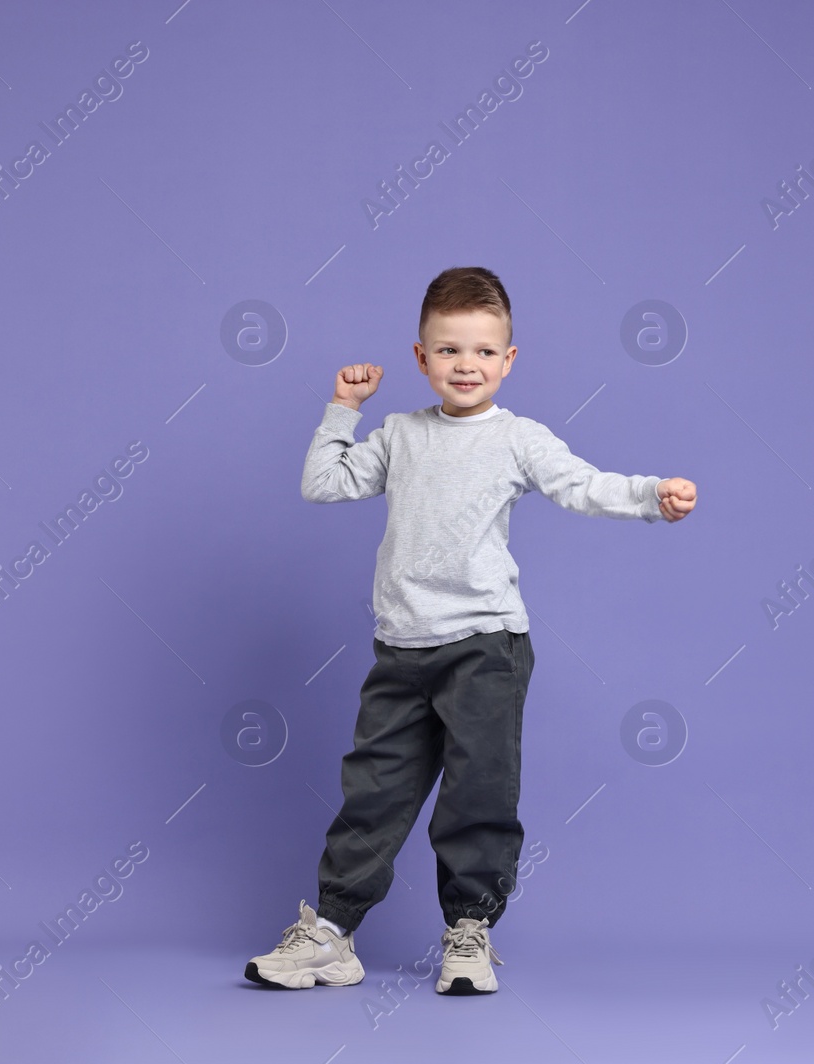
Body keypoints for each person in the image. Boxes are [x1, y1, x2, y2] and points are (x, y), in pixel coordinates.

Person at [245, 266, 697, 995]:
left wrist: (651, 496)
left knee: (478, 793)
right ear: (422, 359)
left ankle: (469, 931)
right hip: (402, 647)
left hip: (486, 646)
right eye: (449, 350)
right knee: (375, 791)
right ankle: (332, 931)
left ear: (509, 360)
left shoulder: (518, 438)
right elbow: (323, 483)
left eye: (484, 352)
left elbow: (581, 484)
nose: (466, 365)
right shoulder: (400, 434)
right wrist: (343, 406)